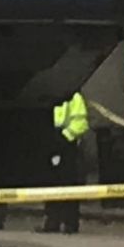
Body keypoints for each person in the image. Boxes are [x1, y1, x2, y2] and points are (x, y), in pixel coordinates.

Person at [39, 91, 89, 234]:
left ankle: (70, 223)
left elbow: (81, 123)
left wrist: (65, 138)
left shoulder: (74, 97)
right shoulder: (46, 96)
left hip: (68, 146)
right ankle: (52, 221)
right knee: (50, 183)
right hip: (51, 144)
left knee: (69, 184)